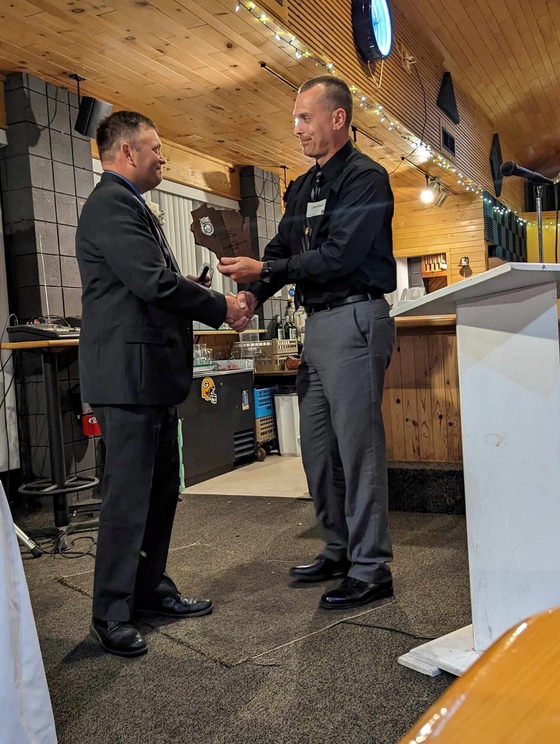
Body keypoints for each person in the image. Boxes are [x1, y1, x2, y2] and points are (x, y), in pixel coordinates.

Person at [218, 76, 396, 610]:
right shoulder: (302, 187)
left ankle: (372, 567)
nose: (296, 129)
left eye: (305, 118)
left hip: (355, 318)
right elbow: (279, 248)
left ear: (337, 119)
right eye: (294, 119)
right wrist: (250, 296)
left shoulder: (367, 179)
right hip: (317, 326)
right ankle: (339, 549)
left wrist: (268, 268)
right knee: (318, 449)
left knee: (358, 451)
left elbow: (339, 255)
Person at [76, 111, 249, 657]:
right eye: (154, 149)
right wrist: (220, 304)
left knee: (159, 491)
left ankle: (148, 590)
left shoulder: (132, 207)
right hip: (128, 378)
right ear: (127, 153)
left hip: (149, 374)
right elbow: (150, 282)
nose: (161, 157)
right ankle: (111, 612)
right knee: (127, 499)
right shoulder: (110, 205)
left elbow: (148, 284)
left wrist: (192, 290)